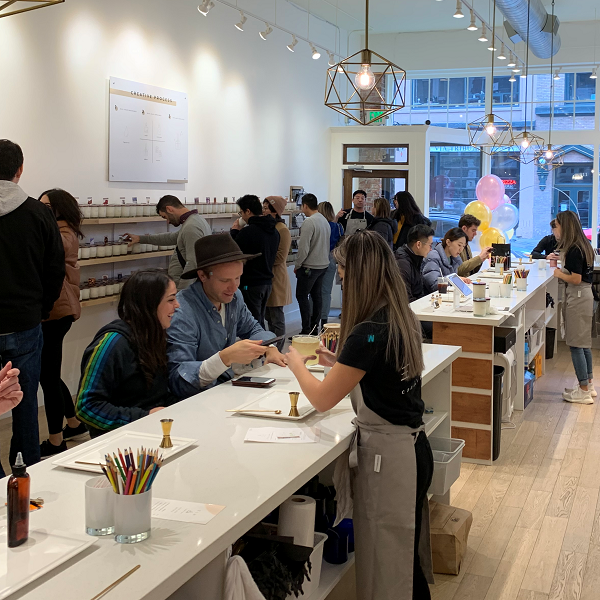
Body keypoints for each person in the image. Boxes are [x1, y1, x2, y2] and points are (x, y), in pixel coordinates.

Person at [286, 230, 433, 600]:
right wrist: (344, 366)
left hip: (392, 459)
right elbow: (381, 373)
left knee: (388, 567)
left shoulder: (368, 331)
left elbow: (321, 399)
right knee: (403, 557)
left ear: (360, 272)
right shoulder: (398, 316)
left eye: (342, 269)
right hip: (414, 450)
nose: (339, 276)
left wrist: (295, 364)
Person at [0, 139, 64, 475]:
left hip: (22, 318)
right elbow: (56, 269)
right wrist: (42, 308)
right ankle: (26, 474)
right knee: (24, 403)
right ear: (19, 170)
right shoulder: (39, 214)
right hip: (25, 322)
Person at [167, 234, 286, 399]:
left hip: (225, 390)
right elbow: (179, 381)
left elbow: (254, 328)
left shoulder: (234, 298)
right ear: (202, 276)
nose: (233, 286)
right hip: (196, 402)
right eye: (224, 280)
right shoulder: (183, 311)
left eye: (237, 277)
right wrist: (224, 358)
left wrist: (269, 348)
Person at [75, 270, 179, 438]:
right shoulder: (111, 344)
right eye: (171, 299)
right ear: (150, 304)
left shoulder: (154, 336)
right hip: (119, 444)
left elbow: (158, 396)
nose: (177, 305)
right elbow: (86, 408)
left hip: (153, 432)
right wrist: (143, 418)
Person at [38, 189, 87, 457]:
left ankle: (56, 441)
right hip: (59, 309)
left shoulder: (62, 234)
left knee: (47, 376)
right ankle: (74, 423)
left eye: (47, 205)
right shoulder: (60, 229)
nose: (42, 208)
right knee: (51, 373)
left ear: (60, 208)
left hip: (57, 310)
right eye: (40, 204)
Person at [552, 212, 596, 404]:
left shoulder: (573, 249)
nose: (555, 229)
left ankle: (584, 390)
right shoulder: (585, 245)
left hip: (578, 297)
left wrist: (559, 274)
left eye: (557, 225)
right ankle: (588, 384)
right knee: (583, 342)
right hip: (585, 296)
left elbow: (576, 279)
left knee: (576, 344)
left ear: (565, 226)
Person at [125, 195, 211, 290]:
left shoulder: (191, 227)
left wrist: (181, 293)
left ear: (169, 209)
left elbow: (193, 263)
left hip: (185, 289)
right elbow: (171, 237)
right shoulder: (194, 221)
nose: (168, 221)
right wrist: (140, 238)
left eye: (165, 217)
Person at [230, 195, 280, 327]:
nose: (241, 216)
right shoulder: (274, 230)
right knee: (259, 318)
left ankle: (260, 346)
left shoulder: (248, 232)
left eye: (241, 212)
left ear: (247, 211)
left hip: (251, 283)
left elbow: (234, 252)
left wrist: (234, 232)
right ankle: (263, 345)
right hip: (267, 282)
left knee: (253, 323)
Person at [295, 193, 331, 335]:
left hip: (309, 267)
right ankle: (315, 329)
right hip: (323, 265)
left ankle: (306, 329)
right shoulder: (324, 220)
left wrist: (298, 265)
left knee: (302, 296)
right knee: (317, 297)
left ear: (305, 205)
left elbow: (303, 248)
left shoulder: (309, 222)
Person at [263, 196, 292, 350]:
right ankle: (271, 348)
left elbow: (281, 257)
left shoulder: (282, 230)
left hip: (277, 277)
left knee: (277, 317)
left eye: (267, 208)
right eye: (263, 207)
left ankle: (278, 349)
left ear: (275, 212)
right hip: (267, 276)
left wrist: (262, 259)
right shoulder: (269, 228)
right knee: (268, 316)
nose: (263, 211)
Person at [318, 201, 344, 326]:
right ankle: (324, 319)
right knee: (326, 292)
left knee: (314, 291)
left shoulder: (319, 225)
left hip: (318, 258)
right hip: (331, 258)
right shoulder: (337, 227)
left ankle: (313, 319)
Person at [422, 228, 470, 293]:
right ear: (448, 242)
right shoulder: (433, 257)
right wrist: (455, 280)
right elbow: (434, 285)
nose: (461, 249)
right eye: (459, 245)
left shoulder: (454, 259)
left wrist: (459, 279)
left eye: (463, 246)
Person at [395, 224, 435, 302]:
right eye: (430, 245)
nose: (431, 249)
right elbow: (405, 299)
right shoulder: (402, 264)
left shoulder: (416, 258)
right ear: (418, 244)